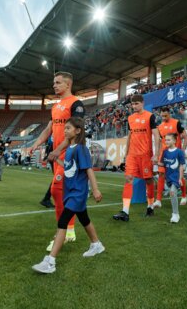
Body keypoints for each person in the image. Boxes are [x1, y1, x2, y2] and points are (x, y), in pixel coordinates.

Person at [32, 118, 104, 274]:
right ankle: (96, 244)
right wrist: (56, 159)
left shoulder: (81, 149)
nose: (65, 131)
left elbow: (88, 169)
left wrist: (96, 189)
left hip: (77, 192)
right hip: (70, 191)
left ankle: (50, 261)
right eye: (64, 128)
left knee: (63, 221)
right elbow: (69, 167)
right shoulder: (70, 149)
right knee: (84, 219)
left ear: (78, 131)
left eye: (68, 128)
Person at [31, 71, 85, 249]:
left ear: (68, 84)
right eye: (54, 82)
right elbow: (49, 129)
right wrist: (36, 143)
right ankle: (69, 231)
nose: (54, 85)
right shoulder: (55, 107)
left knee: (57, 191)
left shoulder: (76, 104)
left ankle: (64, 232)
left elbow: (76, 131)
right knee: (63, 194)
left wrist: (58, 150)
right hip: (57, 156)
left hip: (69, 155)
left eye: (58, 82)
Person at [112, 94, 160, 221]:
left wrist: (156, 154)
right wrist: (126, 154)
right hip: (132, 155)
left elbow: (156, 135)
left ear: (142, 103)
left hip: (145, 155)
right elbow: (129, 137)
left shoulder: (150, 116)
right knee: (128, 179)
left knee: (149, 180)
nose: (134, 106)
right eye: (132, 104)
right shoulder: (130, 118)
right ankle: (125, 211)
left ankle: (150, 206)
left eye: (136, 104)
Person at [154, 107, 187, 209]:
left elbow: (185, 137)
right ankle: (158, 200)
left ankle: (184, 196)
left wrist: (183, 150)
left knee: (179, 175)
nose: (164, 117)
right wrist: (159, 155)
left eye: (166, 115)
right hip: (164, 155)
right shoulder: (159, 127)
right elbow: (160, 142)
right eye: (162, 116)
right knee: (161, 174)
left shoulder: (176, 123)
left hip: (176, 155)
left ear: (169, 114)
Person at [158, 133, 185, 223]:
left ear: (174, 141)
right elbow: (162, 164)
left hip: (176, 178)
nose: (166, 141)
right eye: (166, 140)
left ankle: (175, 214)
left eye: (169, 140)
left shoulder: (179, 152)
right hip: (168, 178)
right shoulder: (165, 152)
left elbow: (181, 166)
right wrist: (155, 162)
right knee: (172, 194)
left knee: (172, 192)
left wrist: (180, 178)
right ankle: (175, 213)